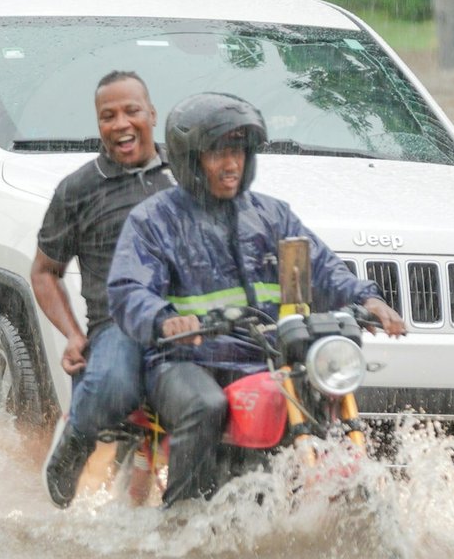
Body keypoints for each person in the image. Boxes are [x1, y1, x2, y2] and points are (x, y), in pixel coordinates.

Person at [107, 92, 408, 506]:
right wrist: (165, 319)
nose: (231, 164)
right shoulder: (154, 220)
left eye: (238, 152)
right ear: (190, 160)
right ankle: (181, 518)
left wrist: (369, 300)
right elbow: (128, 289)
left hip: (264, 356)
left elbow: (322, 267)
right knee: (205, 407)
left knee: (330, 391)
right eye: (217, 153)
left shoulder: (273, 216)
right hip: (184, 359)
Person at [33, 70, 174, 507]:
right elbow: (44, 272)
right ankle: (76, 438)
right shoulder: (78, 190)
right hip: (118, 323)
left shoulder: (188, 173)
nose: (121, 124)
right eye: (108, 116)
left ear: (153, 114)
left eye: (132, 111)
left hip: (189, 317)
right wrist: (74, 335)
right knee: (112, 381)